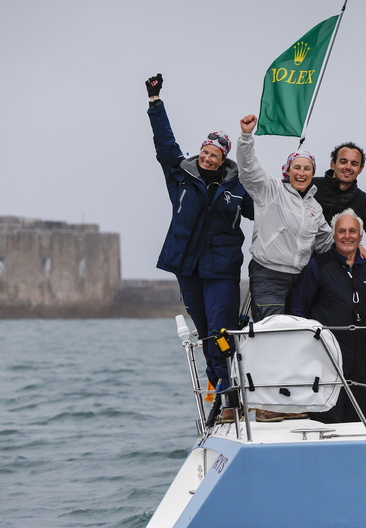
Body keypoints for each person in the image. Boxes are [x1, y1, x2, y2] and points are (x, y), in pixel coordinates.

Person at [145, 73, 253, 420]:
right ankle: (219, 394)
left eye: (215, 156)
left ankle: (228, 394)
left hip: (221, 269)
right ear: (200, 152)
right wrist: (155, 103)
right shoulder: (180, 175)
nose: (208, 159)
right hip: (187, 267)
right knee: (207, 333)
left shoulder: (238, 189)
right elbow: (164, 144)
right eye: (205, 153)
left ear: (224, 160)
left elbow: (268, 209)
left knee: (221, 330)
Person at [290, 209, 366, 423]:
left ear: (360, 237)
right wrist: (303, 345)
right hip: (327, 350)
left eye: (352, 231)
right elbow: (298, 306)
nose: (347, 236)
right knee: (328, 415)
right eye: (341, 231)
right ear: (334, 236)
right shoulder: (319, 265)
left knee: (359, 414)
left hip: (360, 348)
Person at [236, 114, 333, 321]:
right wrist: (246, 137)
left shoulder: (315, 208)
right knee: (274, 330)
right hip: (268, 275)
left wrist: (356, 247)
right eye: (296, 167)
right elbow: (248, 171)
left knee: (297, 332)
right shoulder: (271, 190)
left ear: (312, 173)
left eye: (307, 169)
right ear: (287, 170)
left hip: (300, 279)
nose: (301, 172)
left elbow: (326, 241)